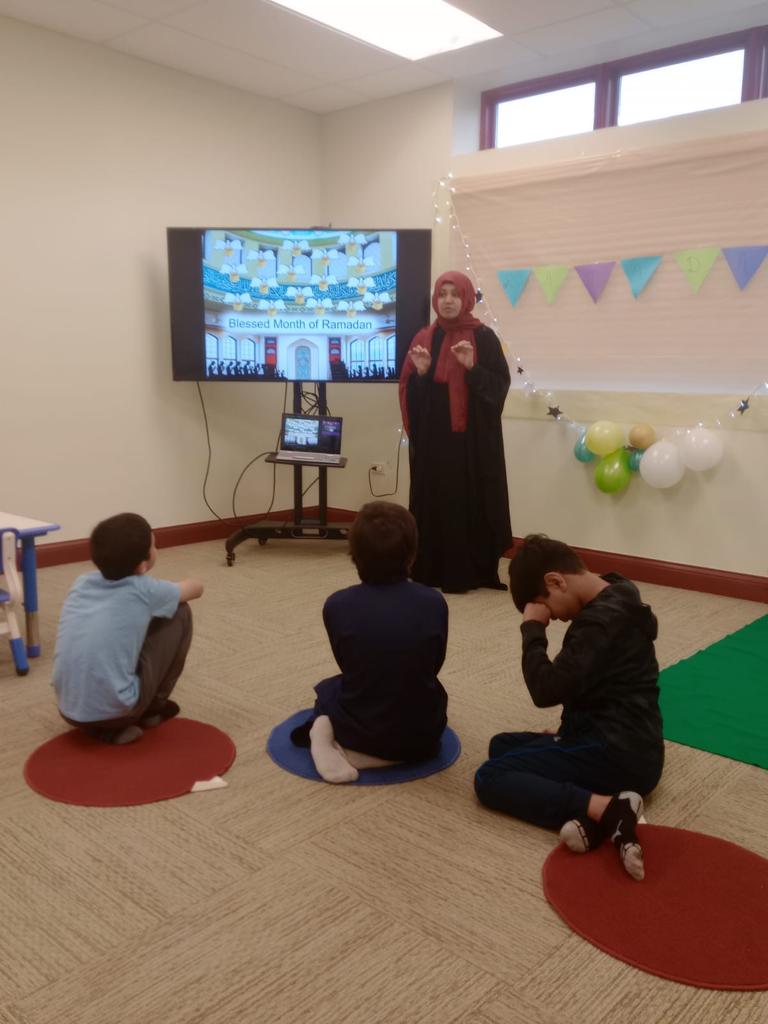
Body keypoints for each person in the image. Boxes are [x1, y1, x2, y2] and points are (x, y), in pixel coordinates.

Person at [474, 535, 664, 881]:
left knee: (490, 777)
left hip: (616, 754)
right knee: (500, 745)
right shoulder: (619, 589)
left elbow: (545, 690)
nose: (555, 619)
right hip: (633, 744)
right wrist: (571, 727)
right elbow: (593, 683)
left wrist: (533, 628)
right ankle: (598, 814)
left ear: (555, 581)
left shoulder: (599, 623)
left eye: (546, 607)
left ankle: (608, 808)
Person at [290, 501, 449, 784]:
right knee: (416, 688)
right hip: (424, 735)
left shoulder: (337, 605)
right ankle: (383, 754)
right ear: (412, 556)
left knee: (329, 691)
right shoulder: (434, 601)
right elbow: (433, 663)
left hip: (361, 730)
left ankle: (328, 738)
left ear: (353, 555)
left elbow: (350, 664)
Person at [399, 270, 512, 594]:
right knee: (434, 504)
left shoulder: (484, 338)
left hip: (471, 445)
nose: (447, 300)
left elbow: (498, 389)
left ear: (466, 299)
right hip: (434, 444)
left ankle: (473, 572)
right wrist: (421, 374)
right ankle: (429, 569)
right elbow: (410, 395)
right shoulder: (424, 338)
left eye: (455, 294)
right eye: (442, 294)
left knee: (471, 504)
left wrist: (472, 368)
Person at [52, 512, 204, 745]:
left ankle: (100, 725)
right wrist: (192, 581)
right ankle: (151, 710)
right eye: (154, 545)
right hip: (117, 713)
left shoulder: (81, 583)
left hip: (67, 708)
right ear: (142, 565)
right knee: (179, 611)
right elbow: (195, 589)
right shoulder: (145, 590)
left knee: (136, 623)